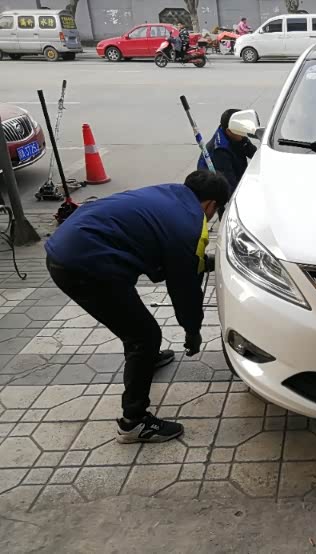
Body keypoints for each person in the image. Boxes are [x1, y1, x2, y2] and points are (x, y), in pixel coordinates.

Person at [45, 171, 230, 444]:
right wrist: (193, 330)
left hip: (71, 246)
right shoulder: (190, 223)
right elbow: (184, 289)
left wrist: (202, 262)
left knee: (135, 323)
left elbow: (168, 256)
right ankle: (133, 422)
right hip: (84, 265)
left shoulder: (168, 193)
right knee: (144, 336)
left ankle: (147, 359)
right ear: (211, 205)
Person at [198, 108, 258, 195]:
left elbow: (254, 154)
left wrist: (245, 142)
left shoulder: (235, 132)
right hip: (216, 186)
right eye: (241, 132)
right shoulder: (220, 151)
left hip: (235, 171)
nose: (244, 134)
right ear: (229, 131)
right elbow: (229, 185)